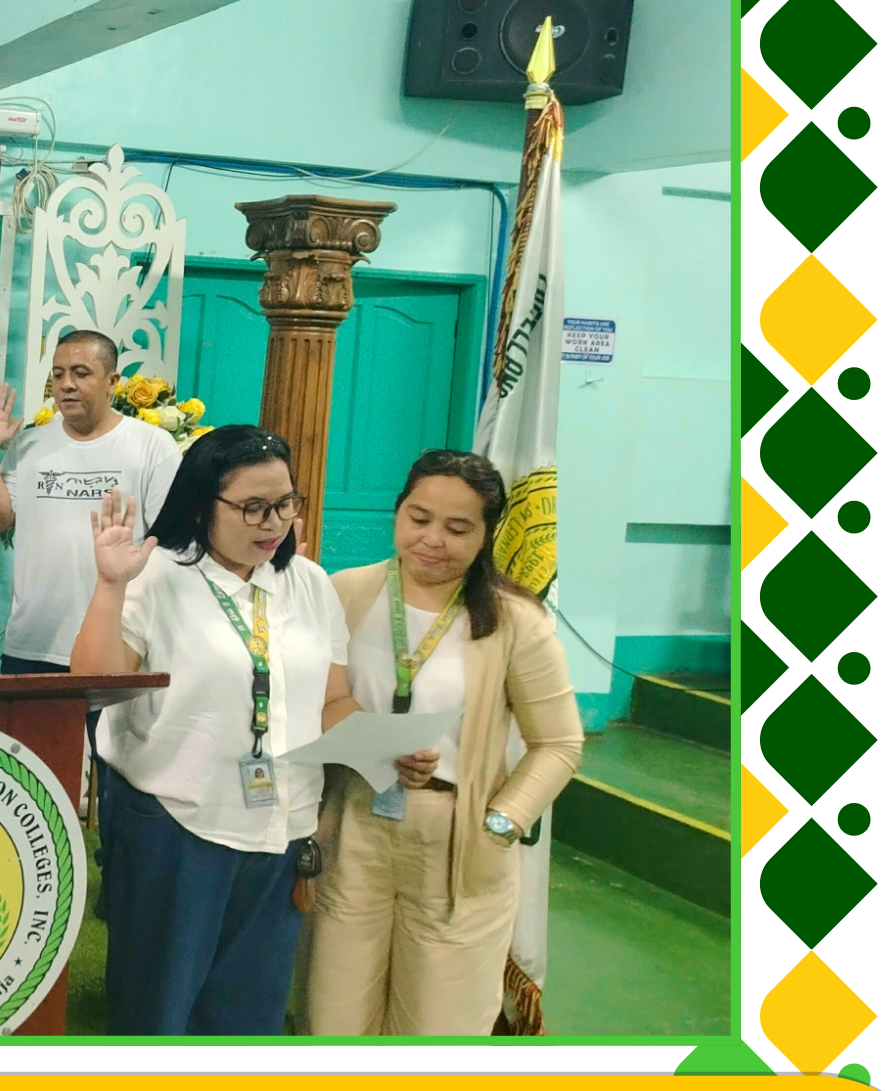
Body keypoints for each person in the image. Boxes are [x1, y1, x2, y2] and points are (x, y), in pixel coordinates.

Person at [70, 425, 354, 1035]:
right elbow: (94, 684)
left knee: (248, 1013)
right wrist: (111, 585)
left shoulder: (309, 584)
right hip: (178, 823)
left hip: (282, 825)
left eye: (285, 503)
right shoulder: (158, 575)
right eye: (252, 507)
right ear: (203, 506)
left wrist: (383, 741)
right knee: (157, 1011)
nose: (273, 522)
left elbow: (332, 699)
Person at [303, 449, 583, 1037]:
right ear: (398, 512)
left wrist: (501, 824)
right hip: (355, 821)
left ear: (486, 534)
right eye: (419, 518)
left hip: (457, 838)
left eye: (457, 528)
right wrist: (380, 746)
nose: (432, 540)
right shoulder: (345, 592)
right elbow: (324, 702)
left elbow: (558, 743)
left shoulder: (515, 620)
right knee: (335, 1014)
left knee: (439, 1025)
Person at [0, 331, 182, 675]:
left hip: (116, 641)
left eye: (81, 373)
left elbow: (170, 543)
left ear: (112, 382)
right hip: (32, 641)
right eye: (58, 375)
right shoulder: (29, 444)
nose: (66, 385)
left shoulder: (152, 445)